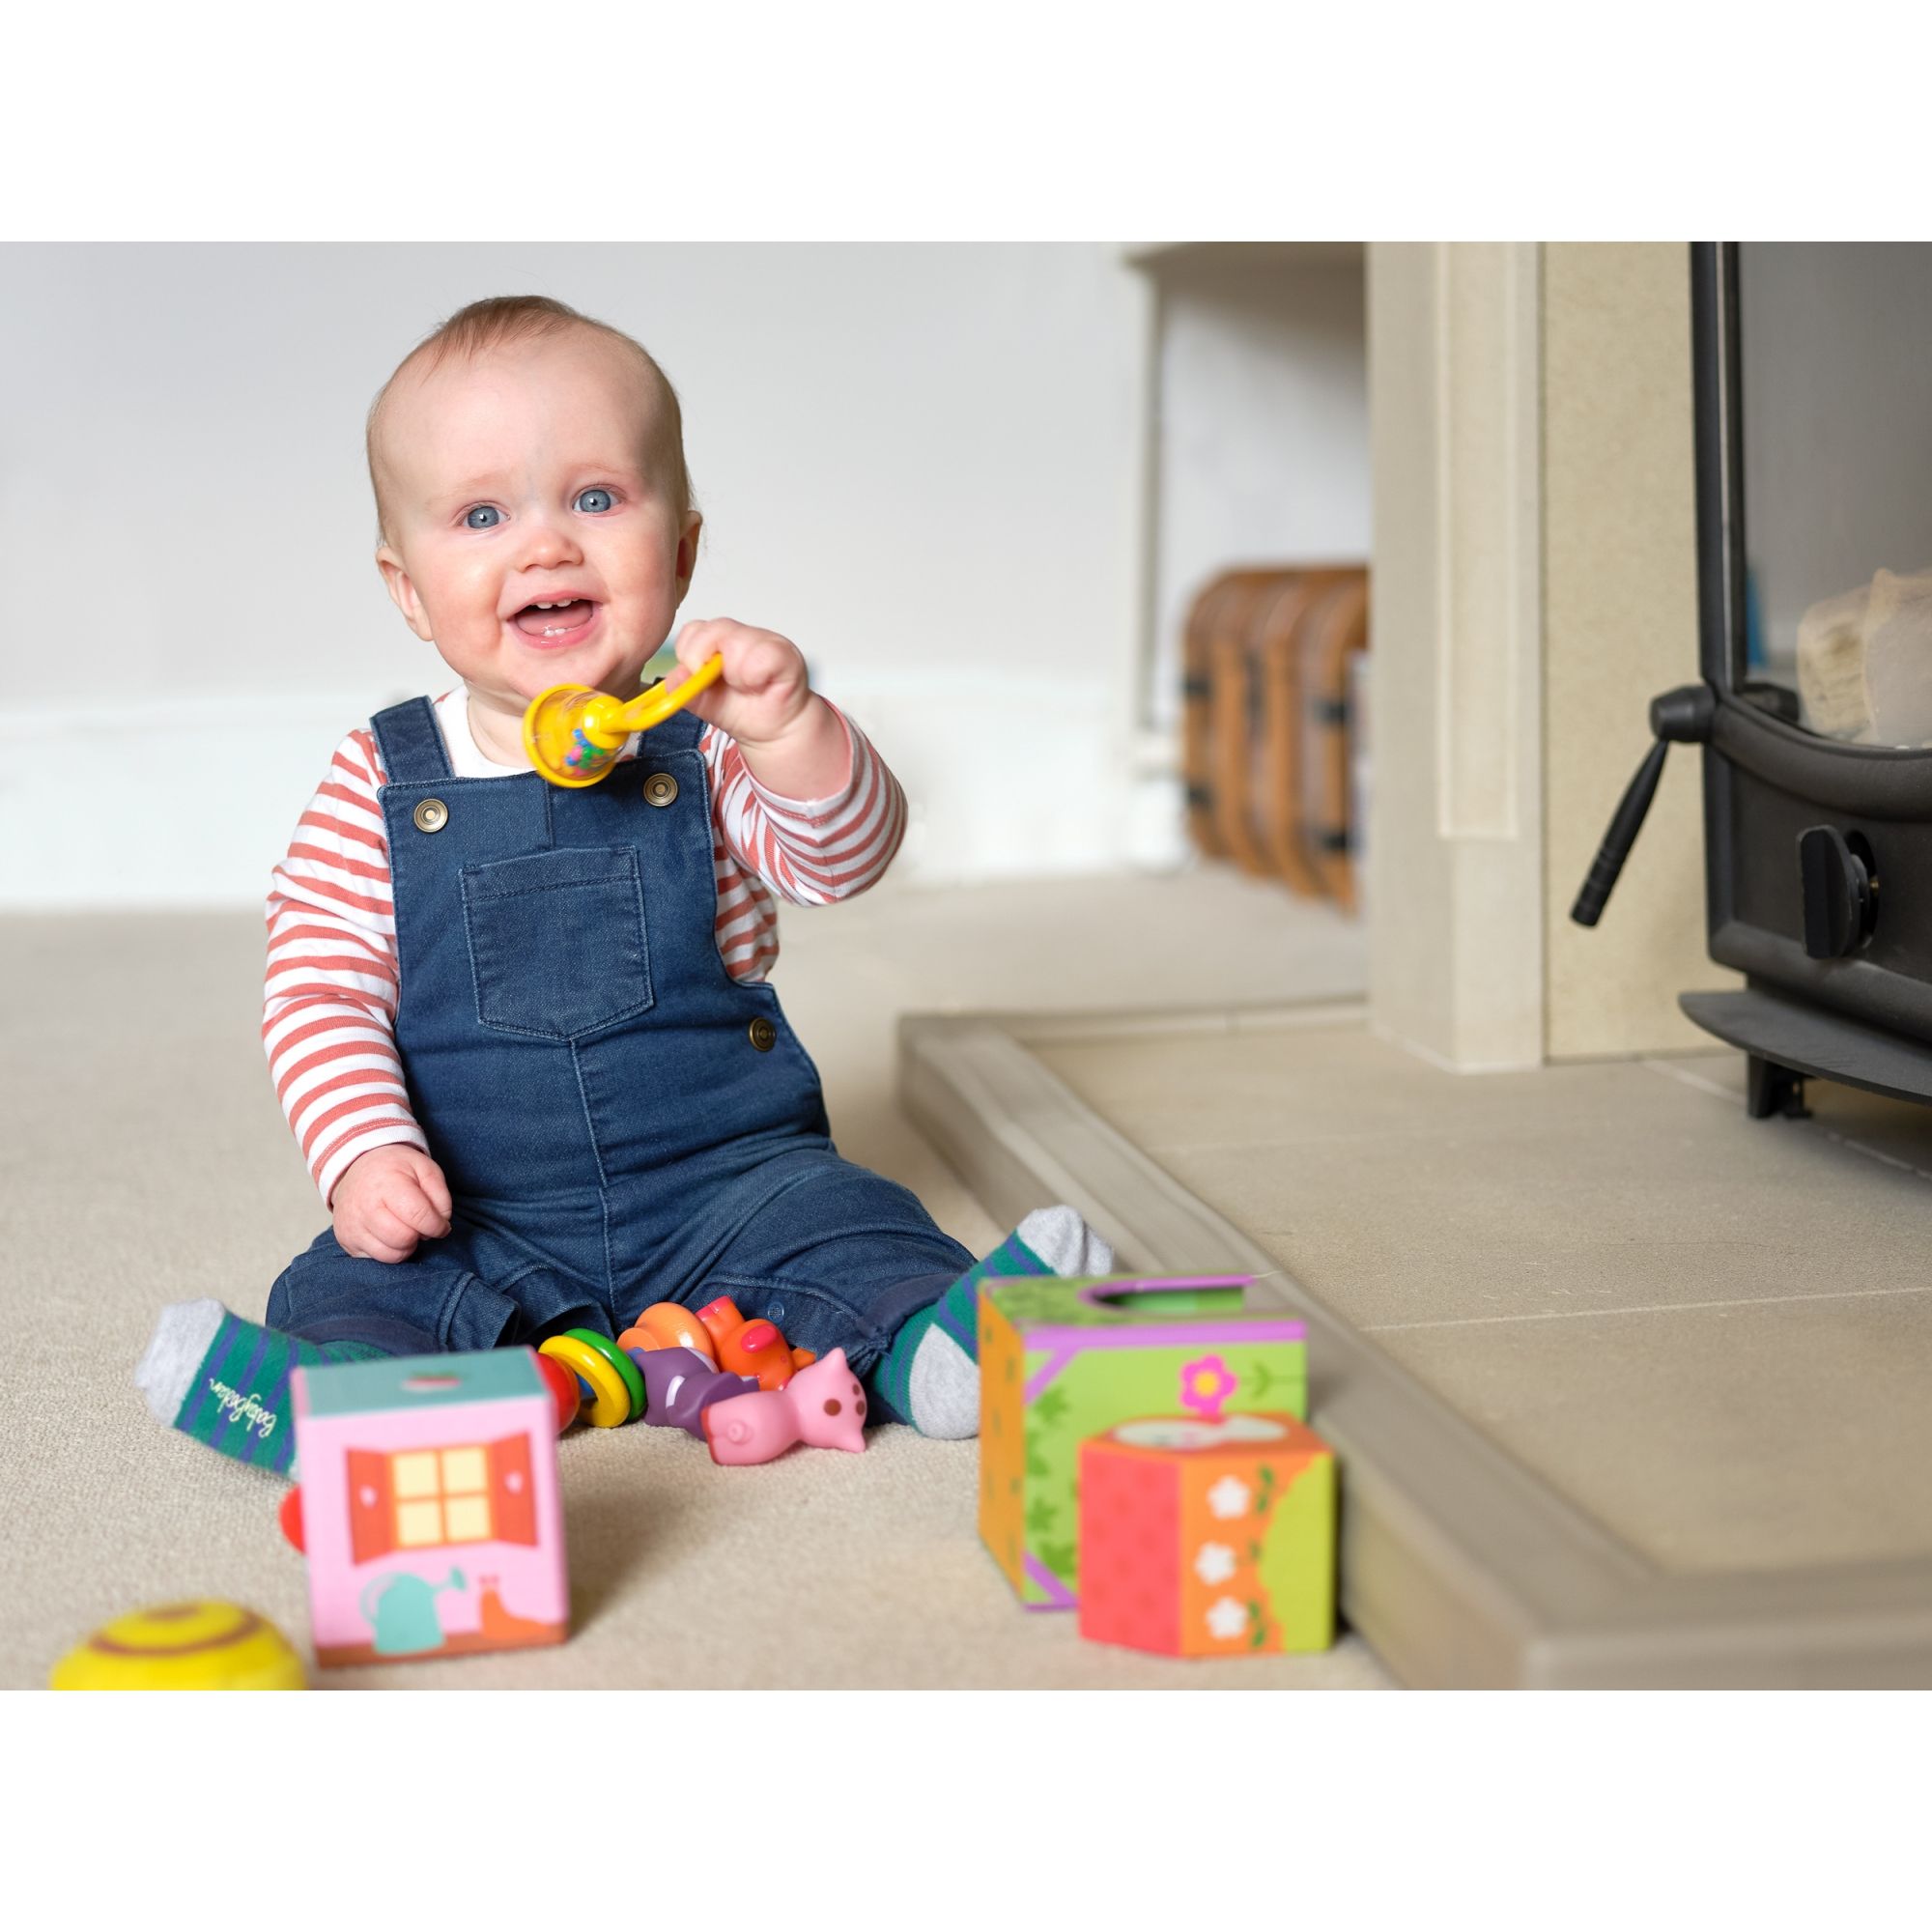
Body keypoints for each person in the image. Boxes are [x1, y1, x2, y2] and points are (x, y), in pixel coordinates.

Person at [135, 294, 1109, 1476]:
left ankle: (933, 1350)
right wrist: (364, 1156)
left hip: (728, 1184)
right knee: (348, 1283)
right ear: (407, 588)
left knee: (856, 1223)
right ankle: (341, 1406)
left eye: (596, 498)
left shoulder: (704, 743)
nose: (546, 545)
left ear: (683, 551)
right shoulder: (381, 777)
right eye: (482, 513)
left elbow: (838, 861)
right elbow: (318, 992)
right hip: (482, 1209)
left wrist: (790, 727)